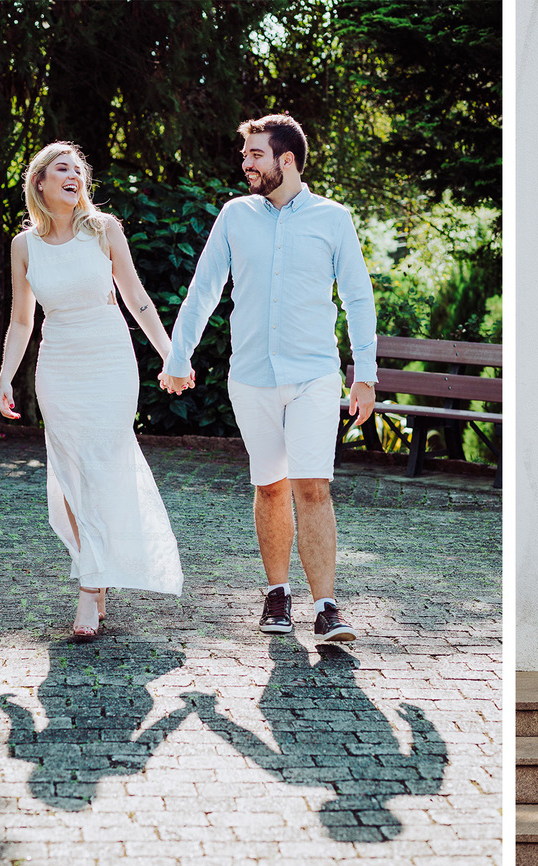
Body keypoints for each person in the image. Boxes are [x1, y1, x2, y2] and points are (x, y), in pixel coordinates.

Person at [159, 113, 376, 641]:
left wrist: (364, 373)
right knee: (271, 486)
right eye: (246, 155)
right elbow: (204, 288)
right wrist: (177, 354)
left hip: (314, 376)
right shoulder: (236, 216)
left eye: (255, 155)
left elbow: (357, 296)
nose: (245, 163)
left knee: (312, 485)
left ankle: (327, 607)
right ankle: (277, 597)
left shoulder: (333, 218)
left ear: (286, 160)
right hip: (252, 377)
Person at [0, 142, 184, 637]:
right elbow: (21, 320)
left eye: (78, 169)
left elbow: (137, 299)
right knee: (71, 474)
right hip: (58, 365)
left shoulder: (104, 230)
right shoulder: (25, 246)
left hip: (108, 360)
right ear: (40, 183)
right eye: (62, 168)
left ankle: (89, 583)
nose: (73, 175)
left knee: (104, 466)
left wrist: (172, 354)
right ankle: (93, 576)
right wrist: (4, 376)